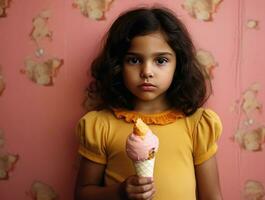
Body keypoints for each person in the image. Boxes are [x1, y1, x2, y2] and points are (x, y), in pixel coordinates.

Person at [74, 6, 223, 200]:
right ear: (118, 64)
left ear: (178, 65)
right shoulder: (101, 125)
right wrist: (119, 192)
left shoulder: (197, 125)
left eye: (160, 60)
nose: (147, 72)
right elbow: (82, 194)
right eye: (134, 60)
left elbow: (212, 196)